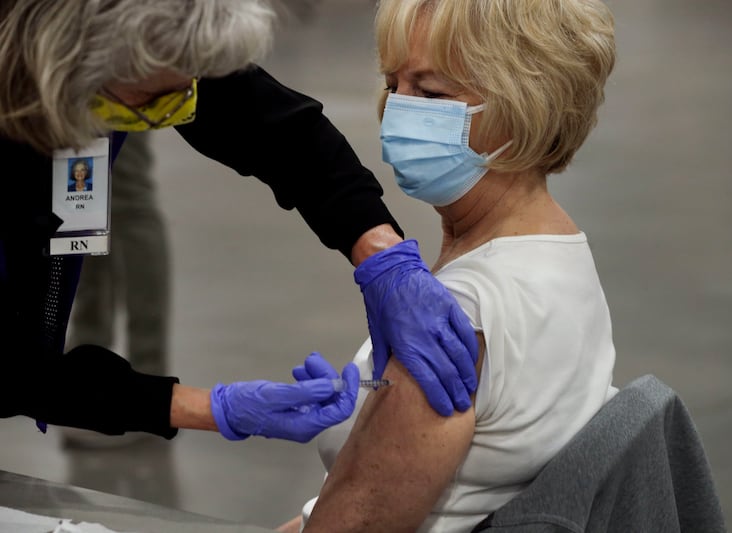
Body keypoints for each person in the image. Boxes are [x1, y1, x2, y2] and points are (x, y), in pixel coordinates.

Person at [0, 0, 477, 444]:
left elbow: (277, 131)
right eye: (149, 102)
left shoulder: (145, 53)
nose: (168, 110)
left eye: (183, 97)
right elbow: (14, 371)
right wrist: (212, 409)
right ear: (66, 61)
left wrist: (380, 250)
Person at [285, 0, 618, 531]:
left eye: (432, 92)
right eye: (394, 84)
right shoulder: (559, 248)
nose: (397, 111)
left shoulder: (456, 315)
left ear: (524, 103)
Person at [62, 131, 171, 448]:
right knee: (82, 192)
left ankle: (149, 386)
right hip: (66, 82)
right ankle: (84, 371)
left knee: (123, 191)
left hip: (105, 82)